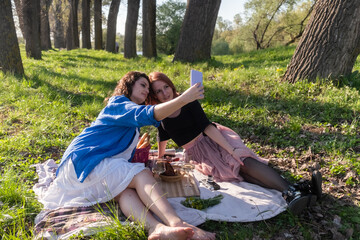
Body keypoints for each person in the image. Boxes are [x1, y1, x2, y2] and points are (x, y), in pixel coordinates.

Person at [40, 71, 216, 240]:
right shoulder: (118, 104)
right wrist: (184, 98)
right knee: (141, 174)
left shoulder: (129, 119)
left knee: (125, 190)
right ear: (128, 85)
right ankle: (177, 222)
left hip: (85, 169)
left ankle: (156, 228)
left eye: (148, 88)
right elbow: (149, 114)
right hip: (84, 162)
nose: (147, 90)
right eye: (143, 85)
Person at [148, 72, 322, 215]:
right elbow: (162, 136)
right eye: (159, 91)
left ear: (171, 86)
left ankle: (291, 192)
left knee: (240, 161)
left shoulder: (188, 101)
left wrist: (231, 150)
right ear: (154, 96)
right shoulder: (160, 113)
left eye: (166, 87)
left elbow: (207, 127)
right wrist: (161, 158)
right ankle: (300, 188)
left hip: (215, 138)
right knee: (238, 172)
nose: (165, 93)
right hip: (199, 153)